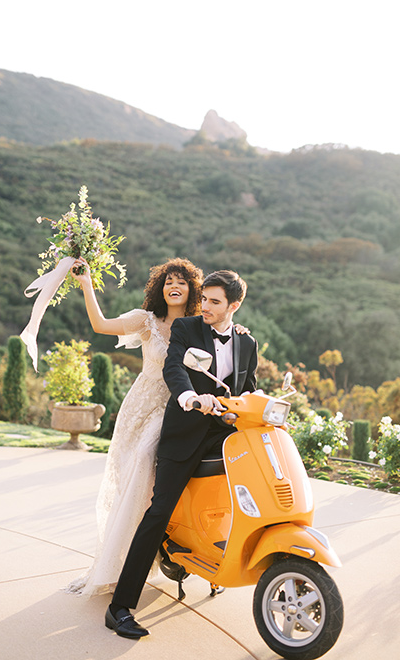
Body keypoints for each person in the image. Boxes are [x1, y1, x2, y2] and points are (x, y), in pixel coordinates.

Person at [65, 258, 250, 597]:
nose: (173, 285)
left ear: (194, 289)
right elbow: (102, 325)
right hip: (147, 405)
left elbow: (230, 364)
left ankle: (177, 546)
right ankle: (120, 565)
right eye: (167, 281)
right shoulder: (147, 320)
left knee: (173, 482)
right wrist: (87, 284)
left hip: (188, 412)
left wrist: (238, 331)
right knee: (140, 475)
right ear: (159, 287)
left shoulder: (203, 325)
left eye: (181, 280)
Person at [105, 270, 258, 639]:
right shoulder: (188, 329)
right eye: (203, 298)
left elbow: (248, 389)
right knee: (158, 511)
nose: (205, 306)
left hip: (222, 435)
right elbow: (175, 367)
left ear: (234, 306)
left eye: (214, 302)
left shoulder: (246, 342)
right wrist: (189, 397)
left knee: (238, 494)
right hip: (184, 432)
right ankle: (120, 607)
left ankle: (207, 557)